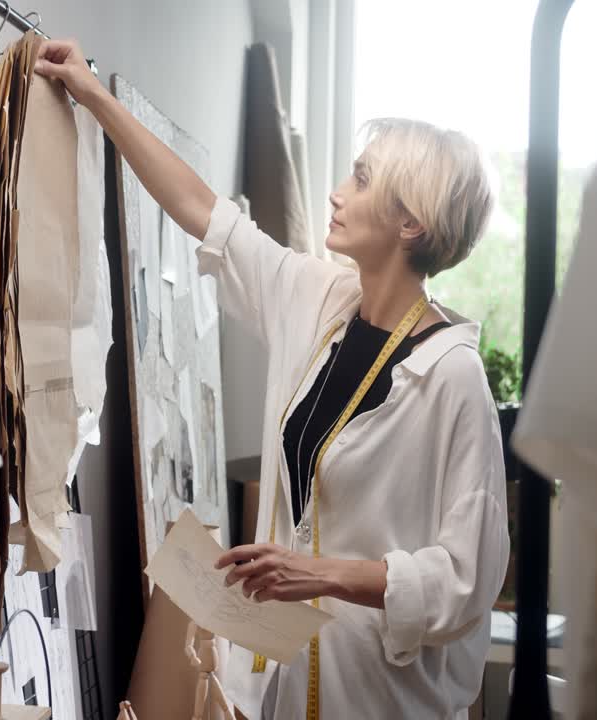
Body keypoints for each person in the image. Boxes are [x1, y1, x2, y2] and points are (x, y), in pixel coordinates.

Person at [36, 41, 509, 719]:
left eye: (364, 180)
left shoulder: (453, 377)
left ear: (411, 223)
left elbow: (469, 581)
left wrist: (324, 575)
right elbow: (204, 211)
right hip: (285, 685)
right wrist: (95, 97)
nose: (339, 193)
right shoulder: (318, 301)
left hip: (384, 700)